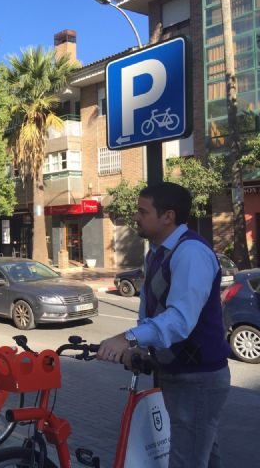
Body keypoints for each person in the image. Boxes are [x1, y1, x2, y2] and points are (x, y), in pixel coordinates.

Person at [98, 182, 230, 468]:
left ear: (168, 216)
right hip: (178, 373)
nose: (135, 217)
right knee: (204, 455)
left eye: (143, 211)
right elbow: (149, 307)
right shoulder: (156, 253)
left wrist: (128, 338)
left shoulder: (190, 252)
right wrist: (141, 347)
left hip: (198, 377)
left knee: (186, 459)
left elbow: (180, 320)